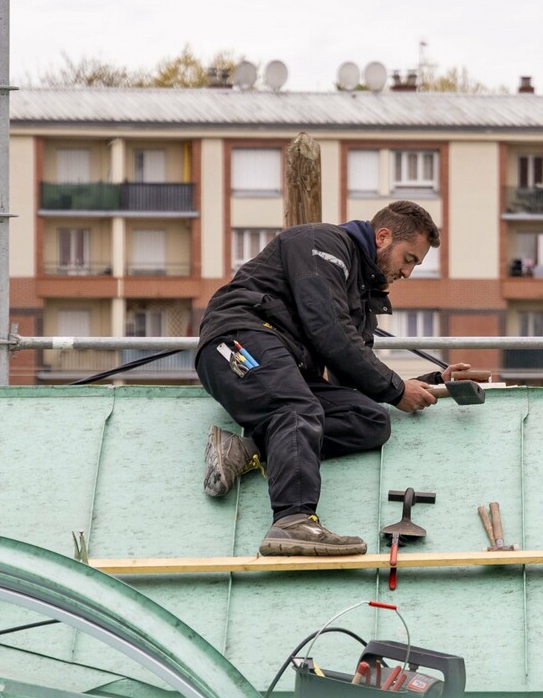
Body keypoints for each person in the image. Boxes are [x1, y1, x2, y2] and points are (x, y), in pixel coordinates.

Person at [195, 198, 485, 556]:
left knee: (369, 419)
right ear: (382, 237)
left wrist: (430, 379)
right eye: (409, 259)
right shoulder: (323, 244)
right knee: (296, 408)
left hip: (285, 362)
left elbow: (351, 371)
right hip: (238, 341)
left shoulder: (362, 293)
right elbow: (328, 328)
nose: (408, 273)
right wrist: (396, 389)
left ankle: (244, 449)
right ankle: (292, 521)